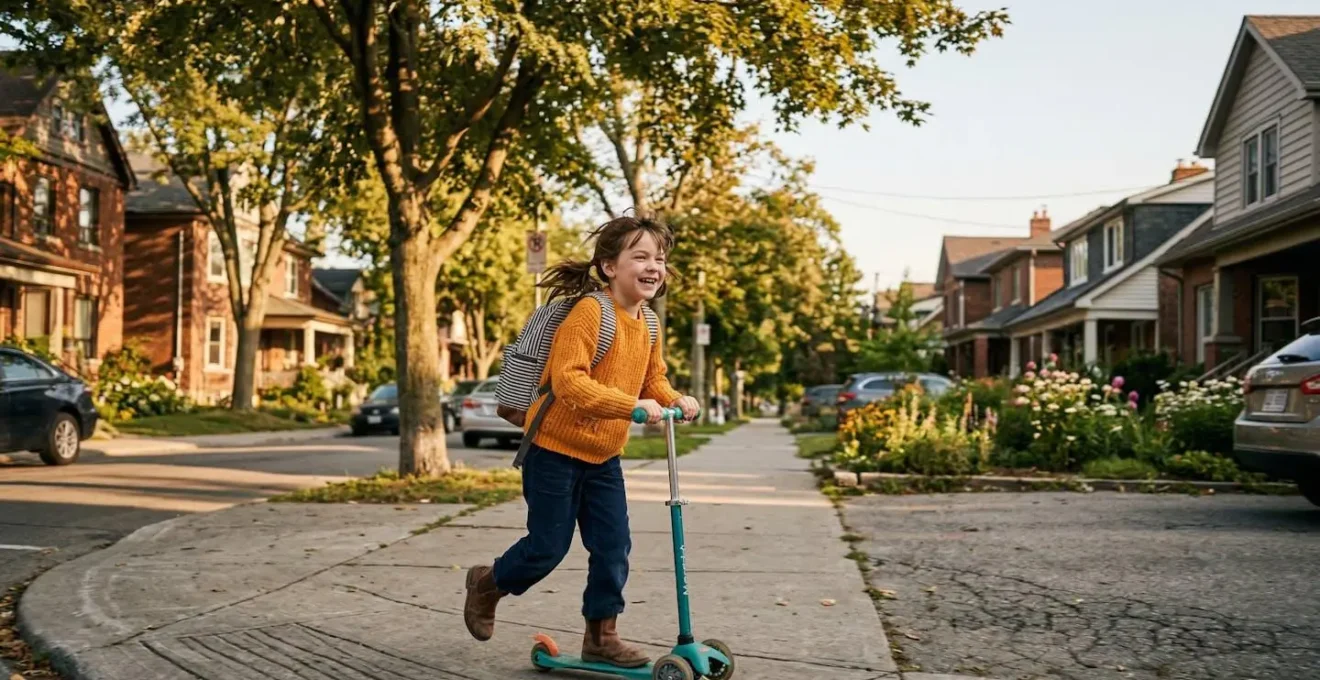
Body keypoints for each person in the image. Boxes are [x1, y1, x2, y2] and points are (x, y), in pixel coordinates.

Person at [463, 214, 700, 668]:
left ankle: (601, 635)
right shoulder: (591, 312)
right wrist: (627, 406)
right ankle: (488, 584)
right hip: (553, 449)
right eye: (641, 256)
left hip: (603, 456)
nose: (654, 266)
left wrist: (676, 399)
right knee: (547, 547)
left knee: (614, 546)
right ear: (610, 267)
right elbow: (568, 381)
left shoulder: (648, 322)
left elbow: (654, 378)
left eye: (660, 258)